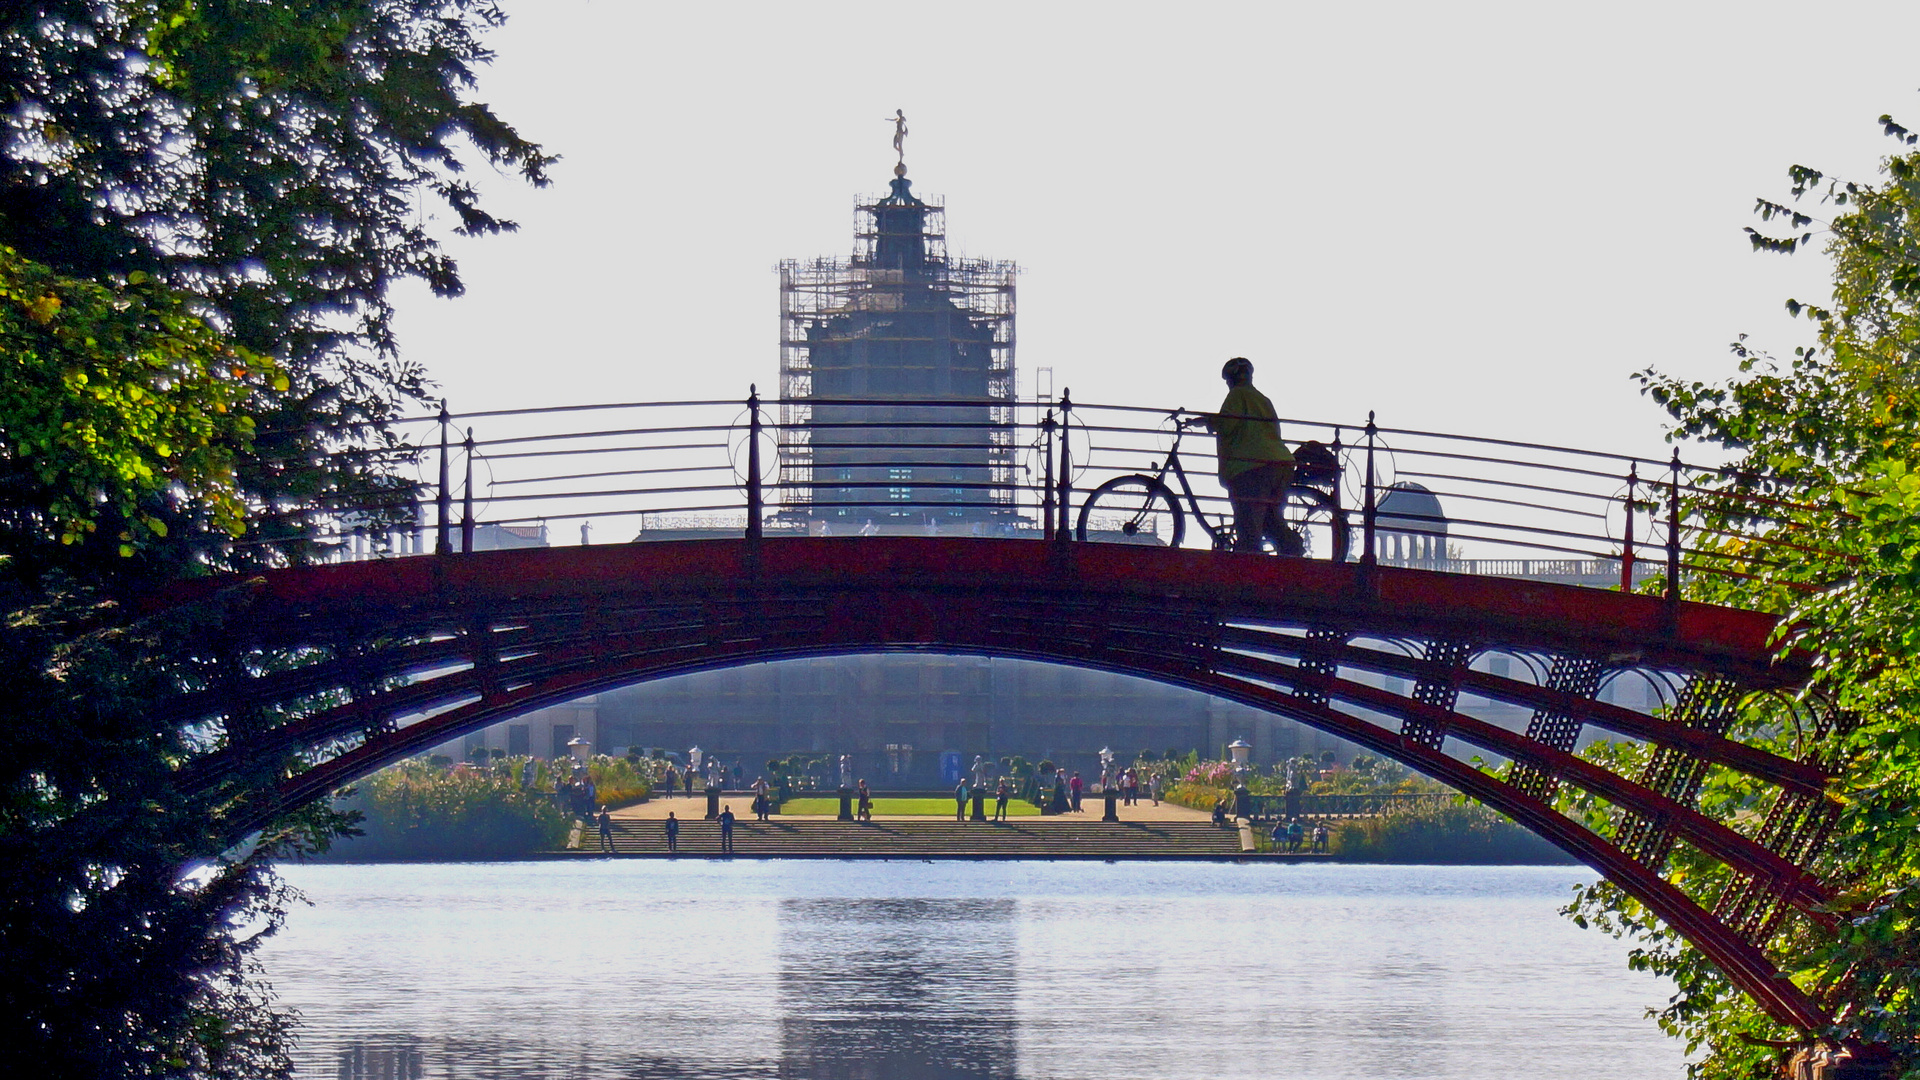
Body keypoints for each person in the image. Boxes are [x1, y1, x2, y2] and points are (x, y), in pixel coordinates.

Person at [1202, 356, 1299, 554]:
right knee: (1270, 520)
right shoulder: (1263, 400)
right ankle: (1293, 553)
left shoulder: (1237, 396)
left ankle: (1246, 569)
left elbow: (1227, 424)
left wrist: (1208, 422)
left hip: (1251, 467)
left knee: (1248, 525)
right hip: (1280, 463)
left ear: (1231, 379)